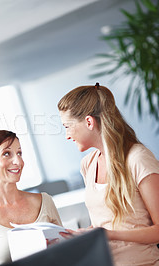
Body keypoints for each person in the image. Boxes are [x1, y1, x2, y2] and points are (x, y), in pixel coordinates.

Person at [58, 83, 159, 265]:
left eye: (67, 126)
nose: (66, 135)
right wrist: (80, 235)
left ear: (89, 122)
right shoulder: (88, 164)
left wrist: (108, 235)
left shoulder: (138, 158)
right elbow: (104, 224)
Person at [0, 130, 62, 266]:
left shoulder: (44, 201)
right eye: (6, 154)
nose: (18, 161)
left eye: (19, 153)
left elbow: (66, 253)